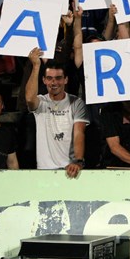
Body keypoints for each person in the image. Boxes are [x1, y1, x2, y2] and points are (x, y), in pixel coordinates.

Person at [25, 48, 89, 177]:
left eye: (58, 78)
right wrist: (36, 66)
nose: (54, 82)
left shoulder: (76, 103)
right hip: (45, 170)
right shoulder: (41, 102)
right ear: (44, 80)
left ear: (66, 80)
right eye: (49, 78)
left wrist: (78, 161)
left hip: (70, 169)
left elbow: (79, 133)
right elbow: (30, 99)